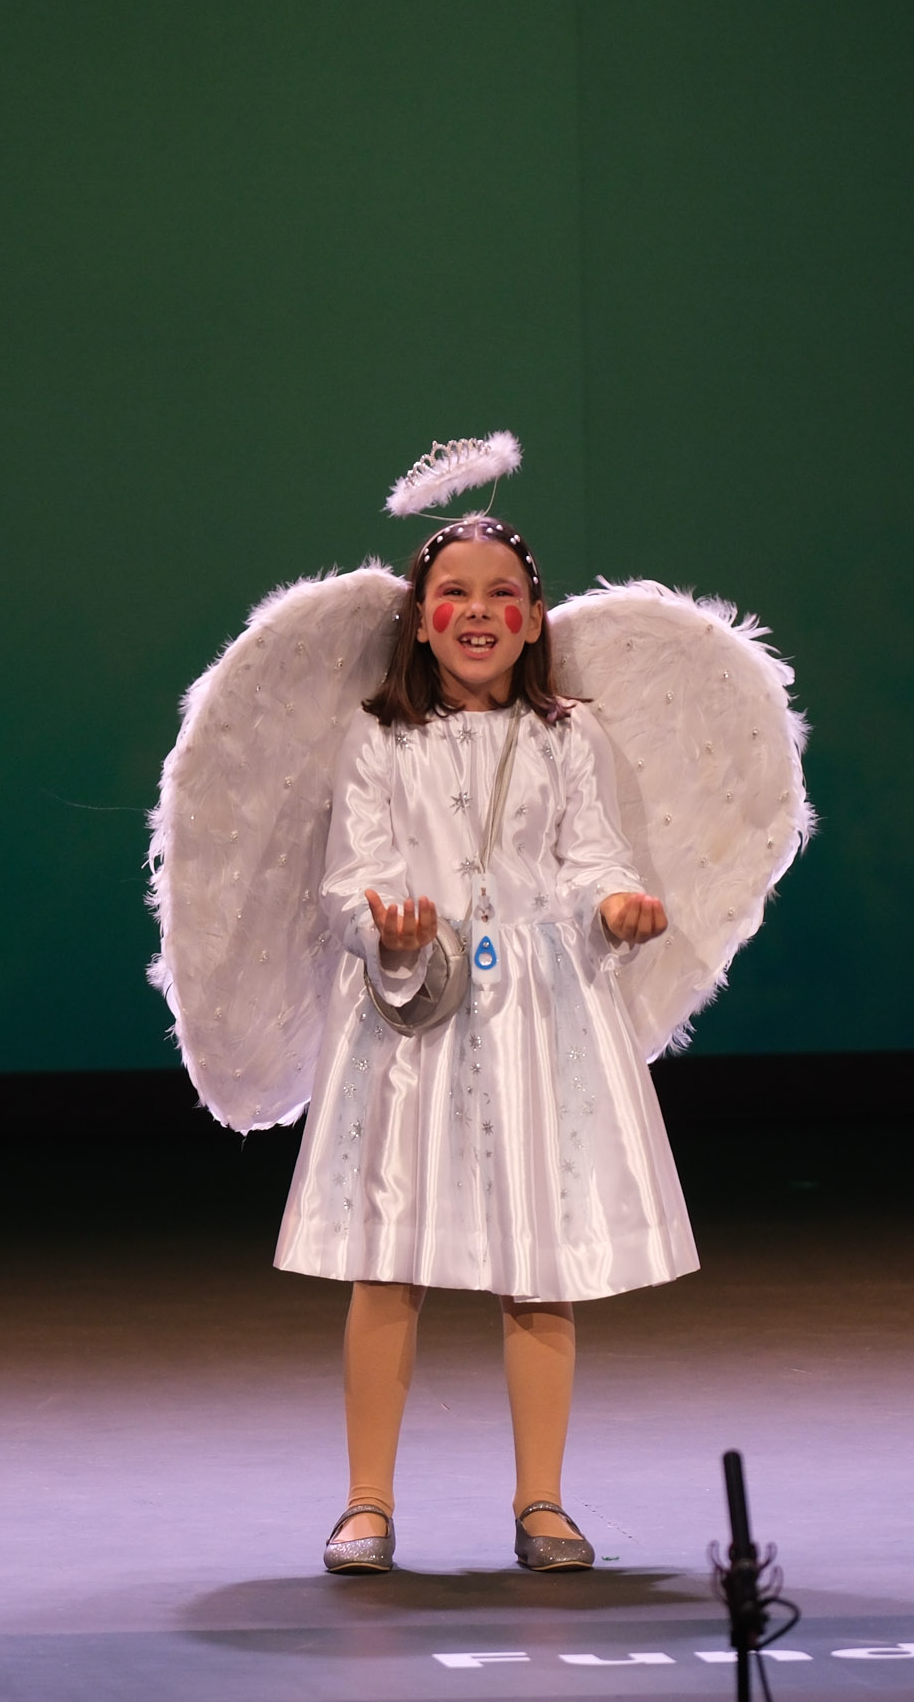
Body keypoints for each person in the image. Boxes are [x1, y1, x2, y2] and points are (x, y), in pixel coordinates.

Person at [284, 510, 690, 1575]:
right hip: (412, 1020)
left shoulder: (567, 735)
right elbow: (346, 878)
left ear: (535, 618)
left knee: (538, 1262)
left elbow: (592, 856)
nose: (478, 610)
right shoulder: (380, 737)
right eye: (454, 592)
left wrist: (616, 912)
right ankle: (365, 1502)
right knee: (389, 1256)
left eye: (500, 591)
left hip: (536, 1014)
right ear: (419, 623)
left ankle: (542, 1501)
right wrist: (390, 929)